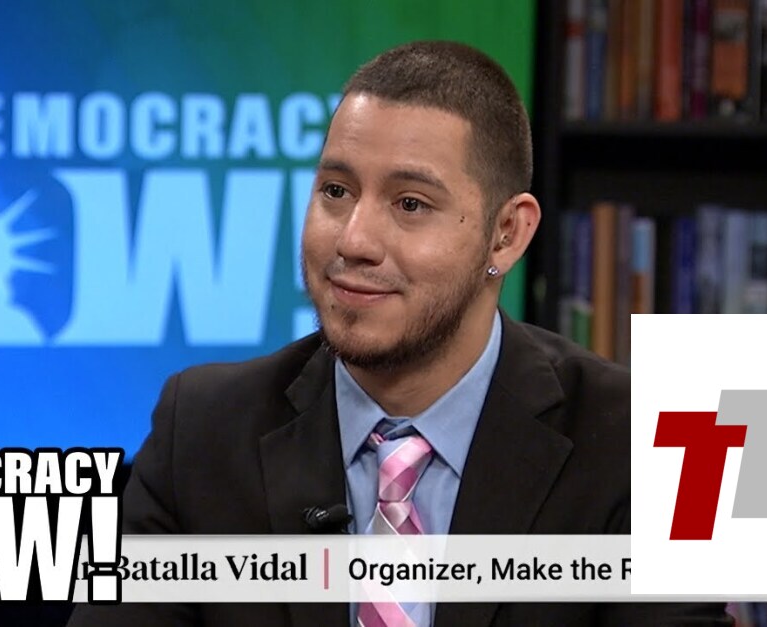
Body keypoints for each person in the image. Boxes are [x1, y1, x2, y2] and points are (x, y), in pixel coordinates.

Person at [69, 41, 731, 626]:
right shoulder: (200, 432)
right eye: (335, 191)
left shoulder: (642, 443)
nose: (353, 240)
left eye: (410, 203)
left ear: (506, 234)